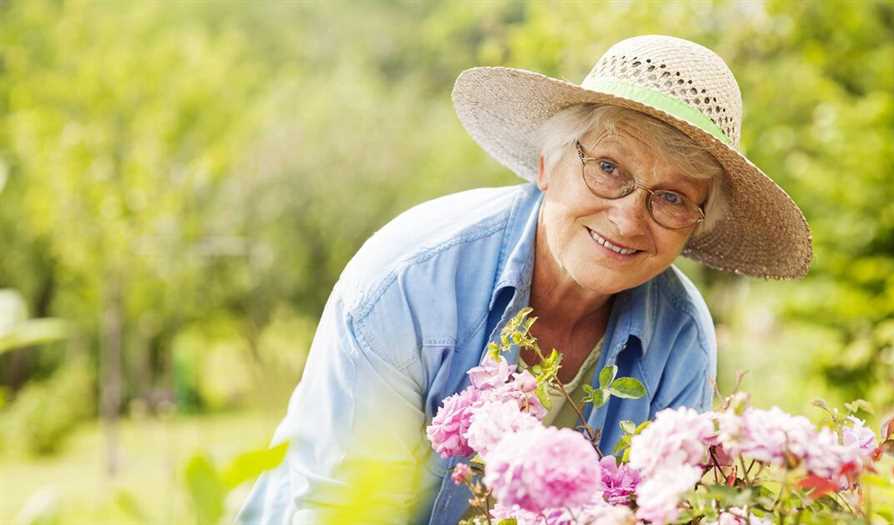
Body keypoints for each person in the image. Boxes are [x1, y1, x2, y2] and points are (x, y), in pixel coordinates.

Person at [236, 34, 811, 524]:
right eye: (609, 168)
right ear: (547, 164)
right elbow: (346, 509)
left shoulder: (681, 337)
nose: (630, 218)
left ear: (695, 225)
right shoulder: (411, 281)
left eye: (672, 197)